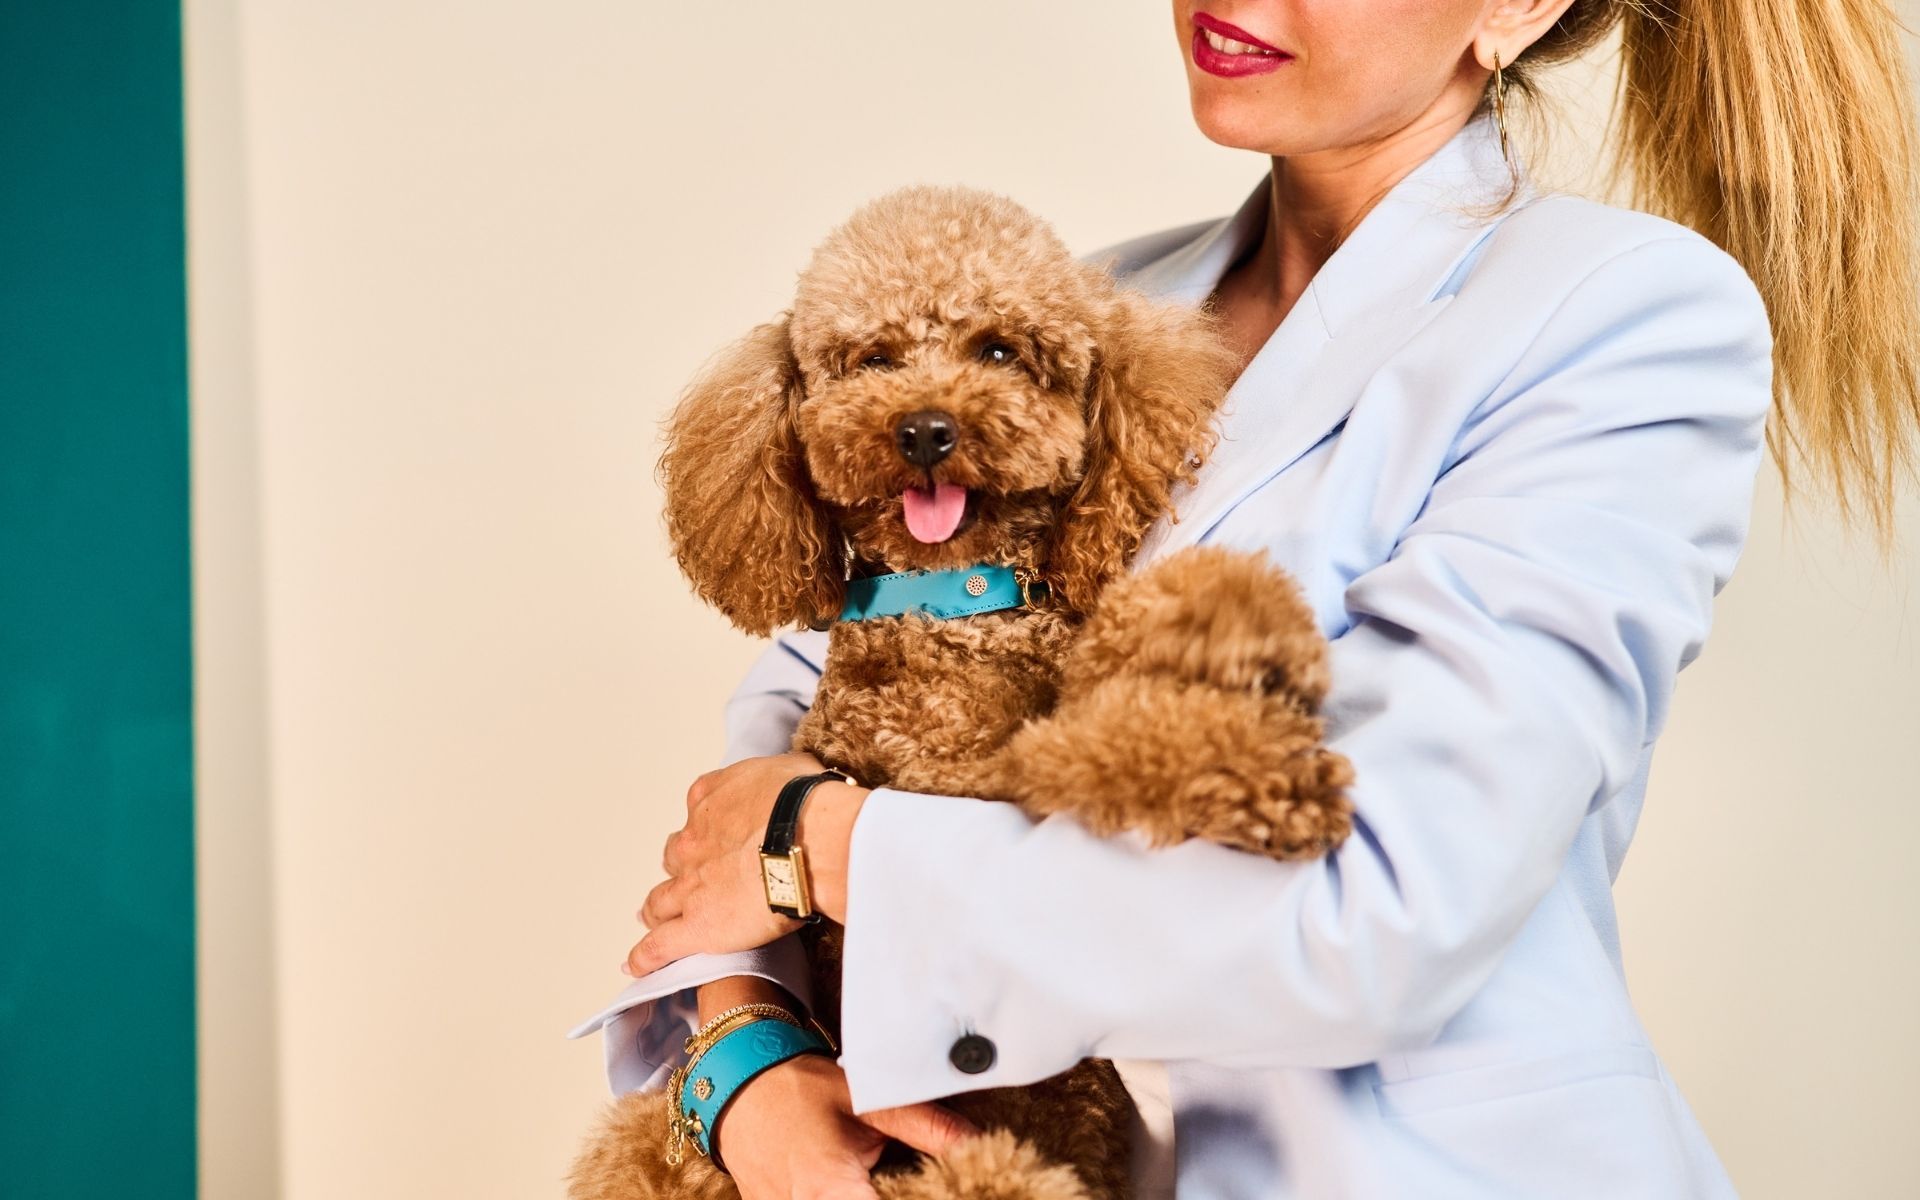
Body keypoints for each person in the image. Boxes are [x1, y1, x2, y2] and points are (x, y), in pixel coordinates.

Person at [570, 1, 1920, 1196]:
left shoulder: (1622, 316)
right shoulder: (1076, 306)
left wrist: (826, 850)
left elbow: (1380, 910)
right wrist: (746, 1055)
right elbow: (780, 741)